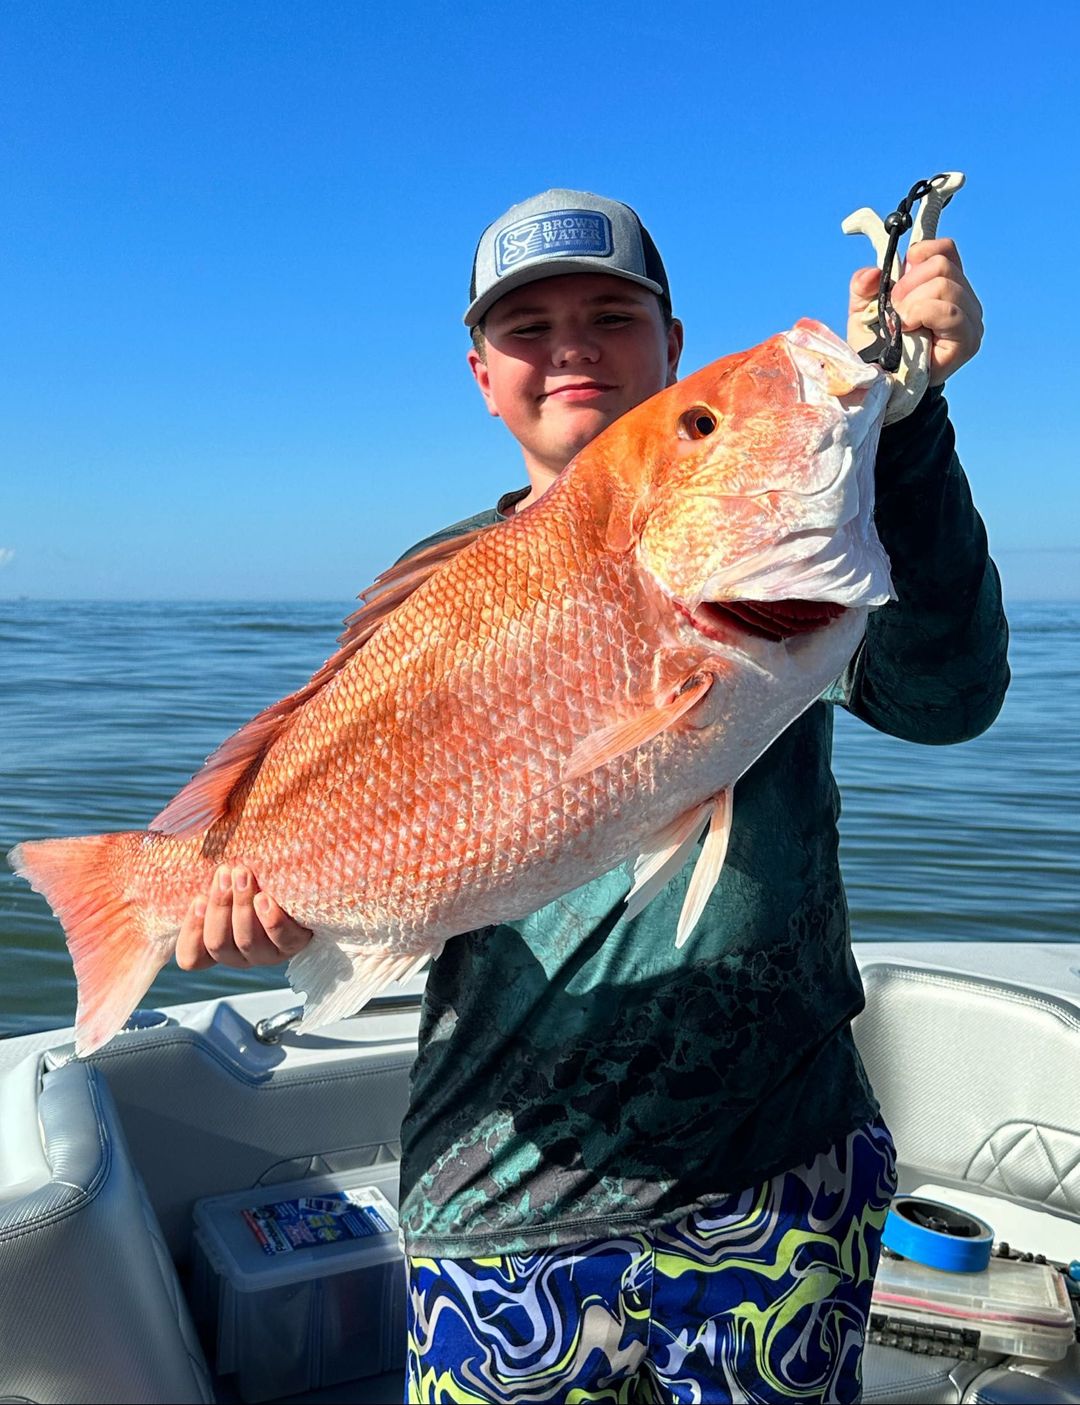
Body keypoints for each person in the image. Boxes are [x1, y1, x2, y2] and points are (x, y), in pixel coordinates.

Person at [177, 189, 1008, 1403]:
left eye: (612, 315)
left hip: (778, 1167)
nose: (572, 345)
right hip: (499, 1185)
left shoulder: (800, 566)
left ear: (670, 347)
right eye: (531, 327)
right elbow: (380, 831)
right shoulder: (441, 592)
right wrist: (259, 900)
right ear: (482, 375)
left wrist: (913, 415)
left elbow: (948, 695)